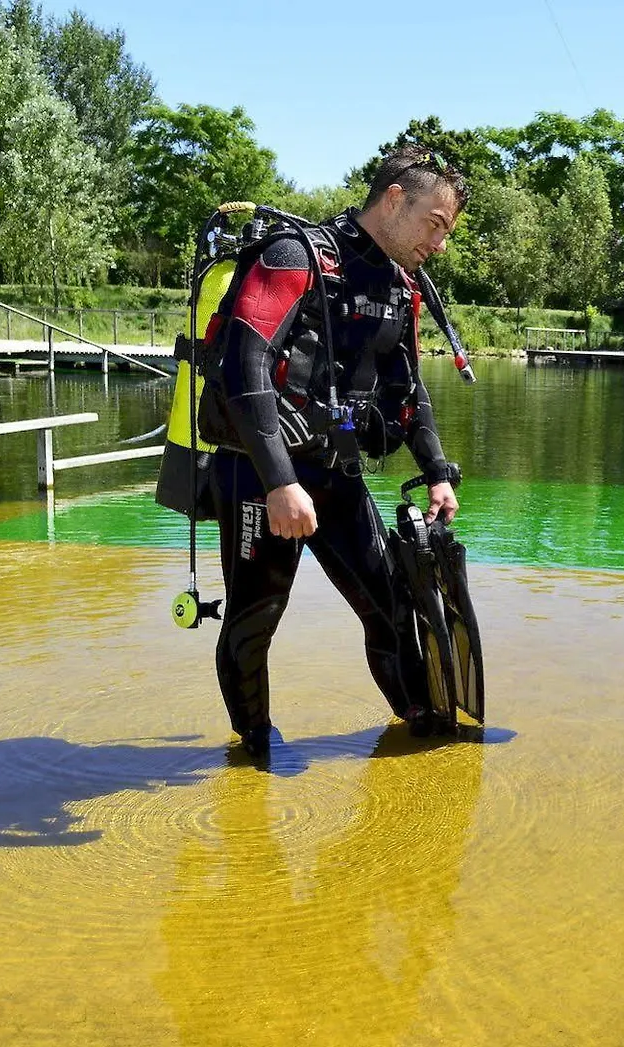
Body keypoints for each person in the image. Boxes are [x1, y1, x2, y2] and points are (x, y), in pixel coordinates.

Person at [197, 144, 469, 756]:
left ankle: (422, 731)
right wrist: (278, 483)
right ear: (395, 199)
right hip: (259, 472)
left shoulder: (400, 284)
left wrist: (436, 472)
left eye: (448, 231)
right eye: (436, 223)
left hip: (334, 470)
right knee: (254, 619)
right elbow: (245, 366)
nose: (441, 244)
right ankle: (255, 748)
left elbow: (407, 388)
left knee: (393, 606)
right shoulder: (294, 255)